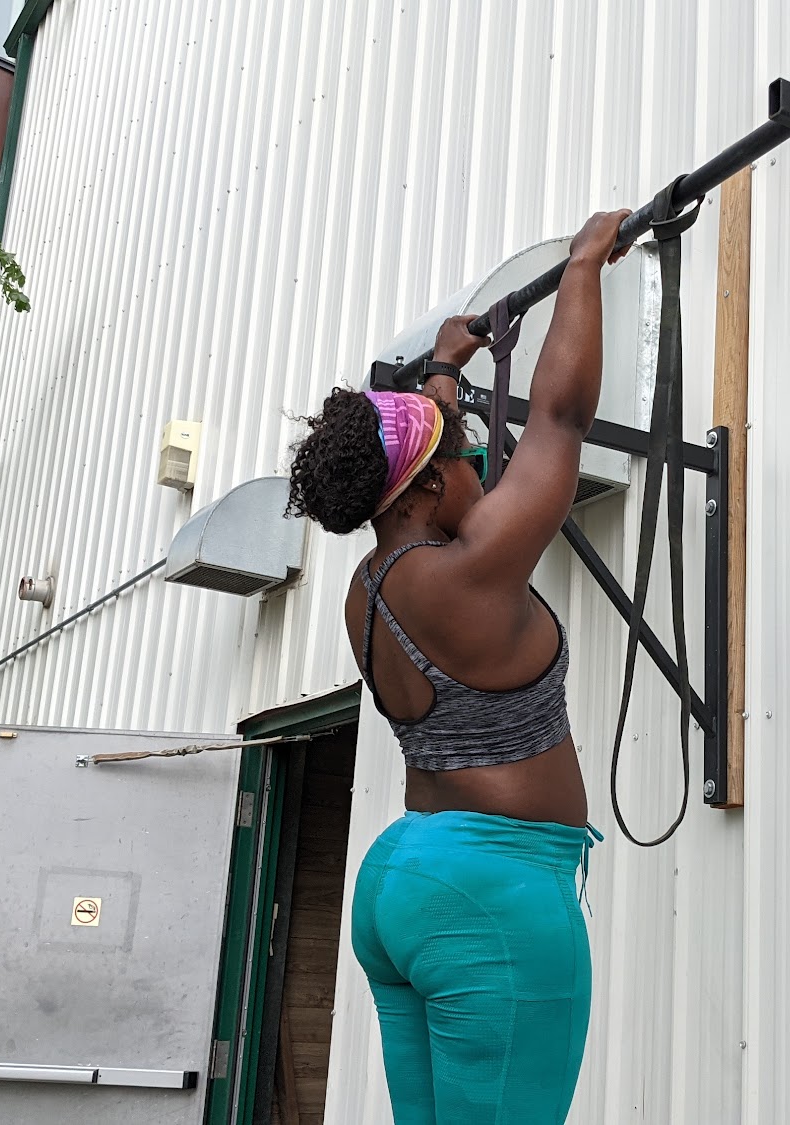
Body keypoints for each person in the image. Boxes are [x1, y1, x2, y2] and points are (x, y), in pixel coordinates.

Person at [284, 207, 633, 1124]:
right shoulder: (469, 574)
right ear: (431, 484)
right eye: (469, 455)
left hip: (405, 880)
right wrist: (585, 265)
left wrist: (445, 369)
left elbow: (439, 471)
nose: (485, 462)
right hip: (492, 894)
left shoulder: (368, 589)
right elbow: (561, 417)